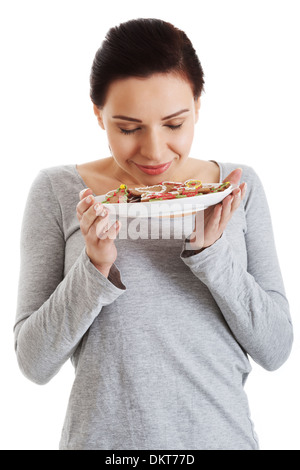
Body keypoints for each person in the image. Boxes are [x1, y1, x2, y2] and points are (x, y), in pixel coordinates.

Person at [14, 18, 293, 451]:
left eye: (175, 124)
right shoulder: (59, 192)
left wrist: (212, 253)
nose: (155, 151)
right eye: (128, 128)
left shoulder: (238, 190)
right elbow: (34, 362)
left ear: (197, 106)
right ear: (98, 115)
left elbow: (275, 349)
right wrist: (95, 268)